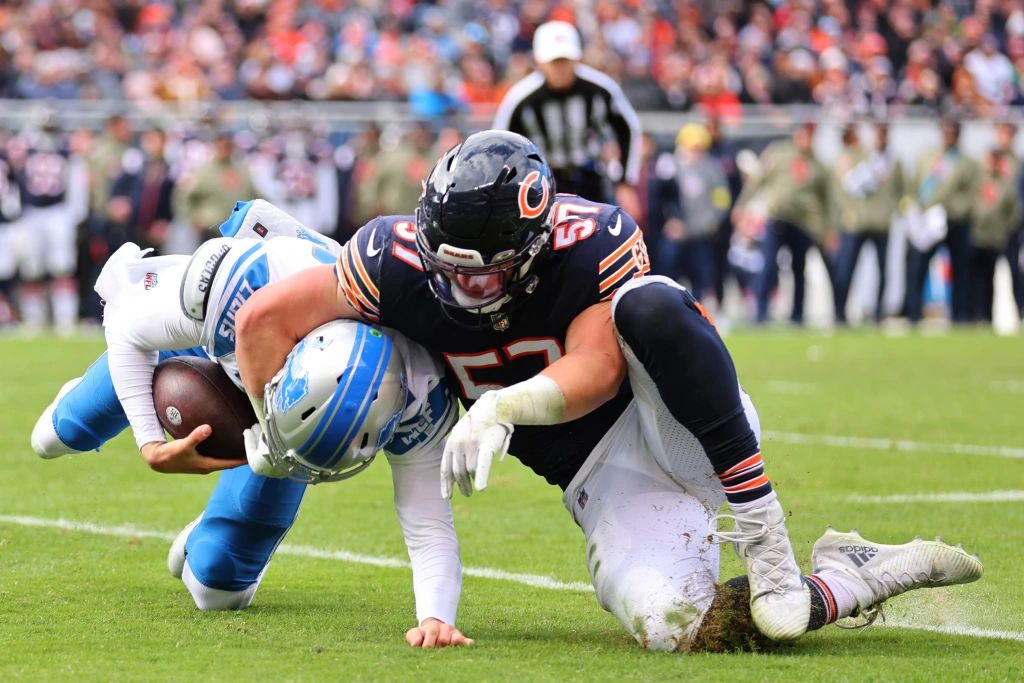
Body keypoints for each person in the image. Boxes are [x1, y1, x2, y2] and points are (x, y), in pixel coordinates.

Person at [233, 131, 981, 651]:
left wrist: (505, 402)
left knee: (647, 303)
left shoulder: (591, 238)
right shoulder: (390, 257)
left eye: (483, 273)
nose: (459, 286)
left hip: (670, 420)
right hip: (598, 479)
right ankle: (853, 573)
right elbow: (268, 317)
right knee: (675, 626)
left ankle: (772, 543)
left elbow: (601, 368)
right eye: (444, 264)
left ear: (529, 253)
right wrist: (270, 429)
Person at [30, 199, 469, 648]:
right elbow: (128, 326)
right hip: (220, 337)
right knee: (52, 436)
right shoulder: (248, 283)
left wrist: (436, 616)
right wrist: (150, 445)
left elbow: (428, 521)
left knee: (215, 589)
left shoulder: (424, 391)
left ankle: (207, 530)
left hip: (274, 410)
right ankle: (81, 400)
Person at [493, 21, 641, 214]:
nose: (560, 68)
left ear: (577, 58)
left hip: (590, 178)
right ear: (540, 61)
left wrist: (625, 182)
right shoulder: (521, 99)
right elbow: (501, 146)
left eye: (565, 60)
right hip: (542, 183)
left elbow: (628, 128)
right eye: (554, 61)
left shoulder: (599, 89)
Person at [734, 121, 834, 325]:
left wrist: (829, 229)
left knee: (799, 269)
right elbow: (758, 181)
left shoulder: (819, 165)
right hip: (778, 219)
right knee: (768, 265)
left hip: (805, 224)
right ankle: (760, 313)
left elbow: (827, 201)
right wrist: (742, 205)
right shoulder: (778, 154)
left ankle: (797, 316)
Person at [904, 119, 979, 324]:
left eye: (953, 131)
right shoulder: (927, 157)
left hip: (954, 223)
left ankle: (959, 315)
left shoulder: (966, 163)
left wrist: (949, 209)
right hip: (927, 223)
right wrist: (915, 210)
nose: (949, 134)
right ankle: (913, 313)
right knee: (917, 267)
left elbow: (971, 195)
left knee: (960, 271)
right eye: (946, 130)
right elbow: (914, 187)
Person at [832, 123, 902, 324]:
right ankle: (839, 312)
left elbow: (900, 191)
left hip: (880, 223)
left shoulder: (891, 161)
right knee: (846, 269)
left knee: (883, 270)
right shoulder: (856, 157)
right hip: (857, 222)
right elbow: (843, 188)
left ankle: (879, 313)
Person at [969, 145, 1020, 322]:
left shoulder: (1006, 184)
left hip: (1000, 238)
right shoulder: (978, 181)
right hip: (979, 238)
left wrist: (1005, 230)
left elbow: (1013, 212)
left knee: (1013, 274)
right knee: (981, 281)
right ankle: (982, 315)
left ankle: (1020, 312)